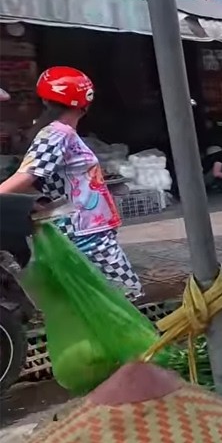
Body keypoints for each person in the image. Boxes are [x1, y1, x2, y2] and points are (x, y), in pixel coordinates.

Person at [0, 66, 141, 298]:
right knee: (126, 296)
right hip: (85, 231)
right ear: (86, 102)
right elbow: (27, 175)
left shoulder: (60, 133)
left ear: (45, 100)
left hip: (88, 228)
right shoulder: (58, 133)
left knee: (98, 299)